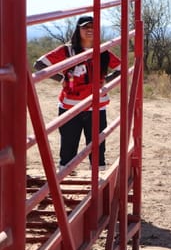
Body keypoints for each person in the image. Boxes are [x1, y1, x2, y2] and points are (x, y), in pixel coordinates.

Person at [34, 16, 121, 172]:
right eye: (85, 27)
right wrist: (61, 79)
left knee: (97, 148)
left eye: (93, 27)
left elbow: (122, 67)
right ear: (78, 30)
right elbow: (39, 65)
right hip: (70, 107)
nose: (89, 30)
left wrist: (106, 80)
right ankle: (65, 177)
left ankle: (98, 181)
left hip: (96, 106)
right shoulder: (67, 50)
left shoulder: (103, 51)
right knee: (68, 147)